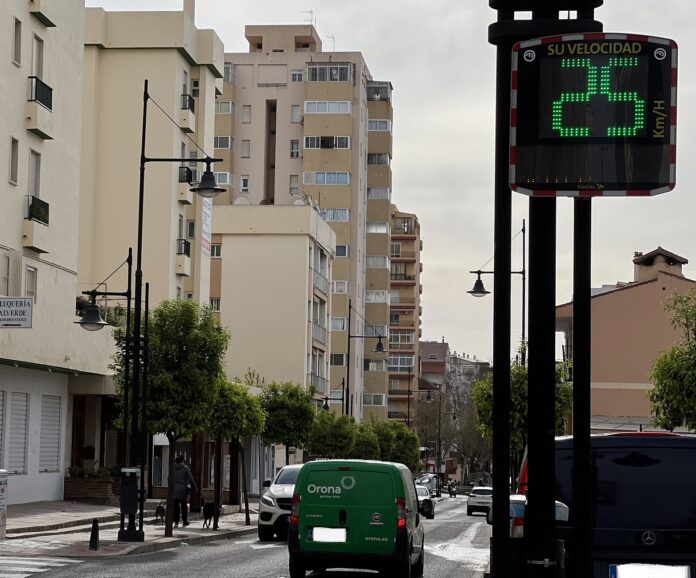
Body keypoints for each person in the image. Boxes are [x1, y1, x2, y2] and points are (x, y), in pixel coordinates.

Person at [173, 454, 197, 527]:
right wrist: (194, 487)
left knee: (176, 506)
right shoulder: (185, 468)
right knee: (184, 506)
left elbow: (169, 478)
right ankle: (184, 521)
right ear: (182, 461)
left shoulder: (172, 467)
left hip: (174, 489)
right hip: (183, 490)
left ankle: (176, 522)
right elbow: (191, 479)